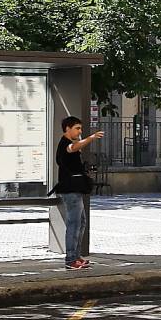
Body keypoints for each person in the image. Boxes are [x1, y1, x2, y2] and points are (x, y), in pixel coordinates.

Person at [55, 116, 103, 270]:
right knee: (74, 224)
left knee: (80, 222)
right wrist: (91, 138)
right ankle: (70, 259)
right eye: (77, 128)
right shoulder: (65, 144)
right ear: (67, 128)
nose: (79, 131)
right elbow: (72, 148)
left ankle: (76, 256)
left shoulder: (71, 144)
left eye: (81, 129)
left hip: (75, 189)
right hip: (70, 190)